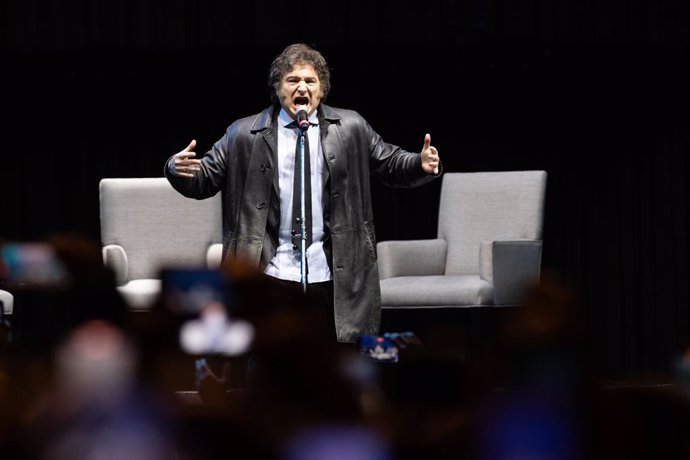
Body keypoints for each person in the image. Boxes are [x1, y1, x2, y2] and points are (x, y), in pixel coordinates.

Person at [164, 43, 442, 342]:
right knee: (268, 361)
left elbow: (390, 163)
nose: (302, 88)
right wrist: (176, 169)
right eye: (293, 80)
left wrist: (419, 164)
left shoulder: (350, 127)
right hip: (268, 268)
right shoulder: (244, 133)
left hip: (333, 269)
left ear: (322, 90)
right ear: (278, 88)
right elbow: (205, 178)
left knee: (332, 363)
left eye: (311, 81)